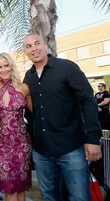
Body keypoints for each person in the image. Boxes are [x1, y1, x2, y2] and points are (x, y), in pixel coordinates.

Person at [23, 33, 102, 201]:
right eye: (29, 46)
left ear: (45, 44)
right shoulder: (28, 77)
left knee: (79, 197)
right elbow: (30, 112)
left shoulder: (67, 68)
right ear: (25, 51)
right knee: (50, 197)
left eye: (37, 43)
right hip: (42, 152)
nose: (34, 48)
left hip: (71, 149)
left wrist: (93, 139)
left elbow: (88, 101)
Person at [0, 53, 32, 201]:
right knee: (9, 189)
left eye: (6, 65)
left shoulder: (24, 87)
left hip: (22, 144)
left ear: (12, 66)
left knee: (20, 188)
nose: (3, 69)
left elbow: (37, 113)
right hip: (1, 145)